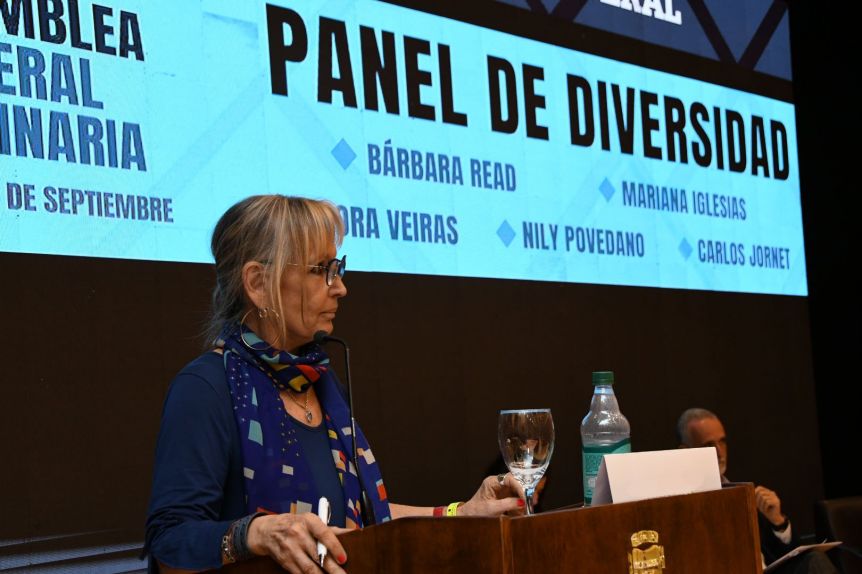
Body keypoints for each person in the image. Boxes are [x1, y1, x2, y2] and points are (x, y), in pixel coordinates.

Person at [145, 196, 525, 574]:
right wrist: (253, 533)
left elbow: (361, 520)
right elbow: (170, 543)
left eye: (337, 267)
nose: (340, 287)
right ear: (258, 284)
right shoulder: (206, 388)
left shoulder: (320, 383)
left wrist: (462, 513)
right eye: (320, 270)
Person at [677, 408, 837, 574]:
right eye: (709, 445)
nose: (719, 452)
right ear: (685, 451)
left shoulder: (745, 495)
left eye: (722, 442)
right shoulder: (680, 508)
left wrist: (778, 523)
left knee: (814, 559)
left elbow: (793, 558)